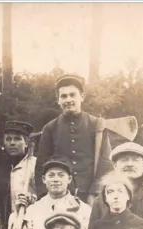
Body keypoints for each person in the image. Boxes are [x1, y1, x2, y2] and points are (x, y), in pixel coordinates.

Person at [35, 74, 113, 205]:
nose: (68, 100)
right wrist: (45, 197)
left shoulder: (96, 125)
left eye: (73, 95)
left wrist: (94, 193)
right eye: (63, 96)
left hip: (92, 197)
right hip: (59, 197)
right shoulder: (50, 128)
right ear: (58, 100)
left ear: (82, 97)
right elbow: (41, 166)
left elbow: (106, 163)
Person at [3, 120, 37, 213]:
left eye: (17, 139)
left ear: (26, 143)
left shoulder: (34, 165)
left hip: (27, 216)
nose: (12, 143)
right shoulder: (0, 165)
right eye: (8, 139)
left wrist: (32, 198)